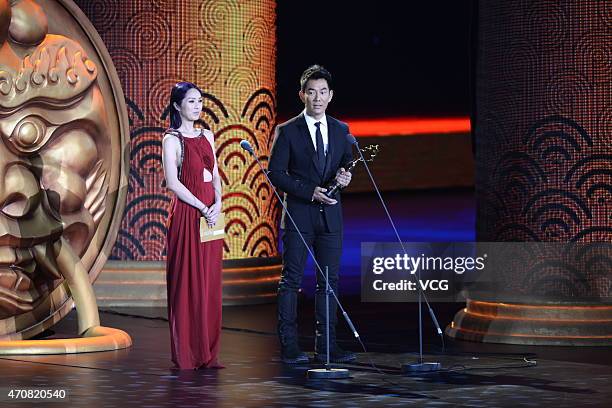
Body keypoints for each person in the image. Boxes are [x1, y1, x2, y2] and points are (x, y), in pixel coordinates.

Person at [268, 65, 357, 364]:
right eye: (311, 92)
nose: (317, 98)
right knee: (291, 280)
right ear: (302, 95)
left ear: (330, 95)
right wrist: (309, 191)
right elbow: (275, 174)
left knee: (329, 282)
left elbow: (346, 165)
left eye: (322, 92)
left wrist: (345, 178)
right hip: (299, 215)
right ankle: (290, 345)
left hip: (331, 217)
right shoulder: (287, 130)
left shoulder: (341, 130)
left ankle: (327, 345)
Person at [162, 82, 224, 369]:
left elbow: (215, 173)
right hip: (189, 216)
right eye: (191, 101)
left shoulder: (207, 135)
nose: (198, 106)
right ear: (177, 105)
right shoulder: (172, 139)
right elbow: (173, 183)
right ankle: (188, 352)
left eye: (200, 101)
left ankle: (207, 351)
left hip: (212, 216)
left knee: (209, 282)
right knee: (188, 283)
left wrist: (218, 205)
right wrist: (202, 207)